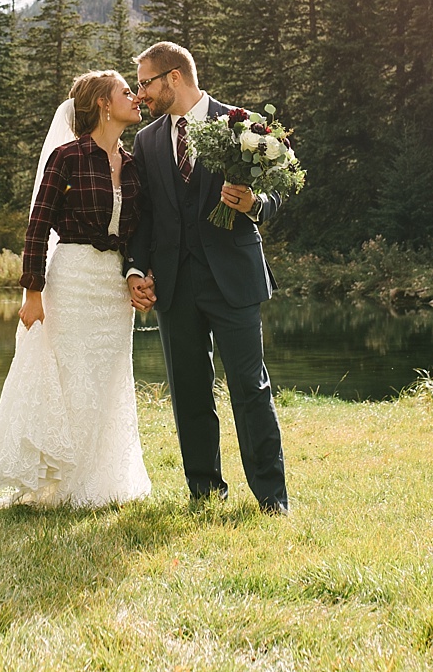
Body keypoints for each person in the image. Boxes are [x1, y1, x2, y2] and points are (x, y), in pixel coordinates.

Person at [126, 41, 289, 513]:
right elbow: (147, 215)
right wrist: (138, 268)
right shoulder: (148, 141)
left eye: (146, 83)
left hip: (233, 279)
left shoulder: (241, 124)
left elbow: (279, 189)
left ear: (174, 77)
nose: (141, 94)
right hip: (176, 287)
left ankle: (272, 497)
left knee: (249, 388)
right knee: (189, 393)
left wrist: (255, 205)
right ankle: (205, 492)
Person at [0, 70, 152, 507]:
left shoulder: (132, 165)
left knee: (107, 379)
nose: (136, 97)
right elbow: (38, 227)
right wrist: (33, 293)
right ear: (103, 105)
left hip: (113, 291)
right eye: (125, 92)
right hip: (71, 280)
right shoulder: (67, 158)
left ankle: (101, 481)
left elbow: (140, 232)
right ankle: (58, 482)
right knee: (72, 376)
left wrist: (137, 275)